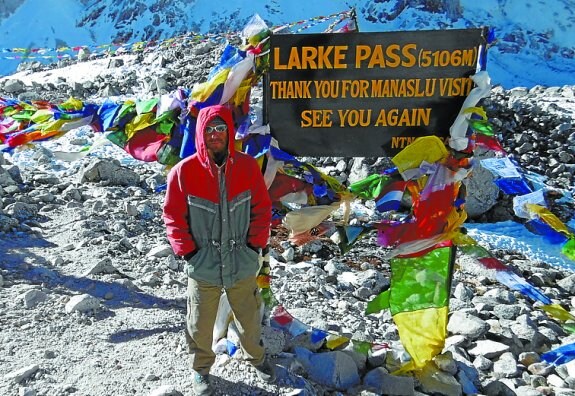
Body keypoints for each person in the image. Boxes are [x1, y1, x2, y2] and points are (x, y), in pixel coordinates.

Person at [162, 105, 275, 395]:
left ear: (229, 132)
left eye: (220, 128)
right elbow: (173, 216)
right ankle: (200, 370)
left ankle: (257, 358)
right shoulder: (183, 173)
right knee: (198, 324)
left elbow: (262, 209)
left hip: (241, 261)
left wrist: (254, 246)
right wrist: (188, 252)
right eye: (209, 130)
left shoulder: (248, 167)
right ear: (201, 133)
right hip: (203, 264)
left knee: (249, 317)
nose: (215, 135)